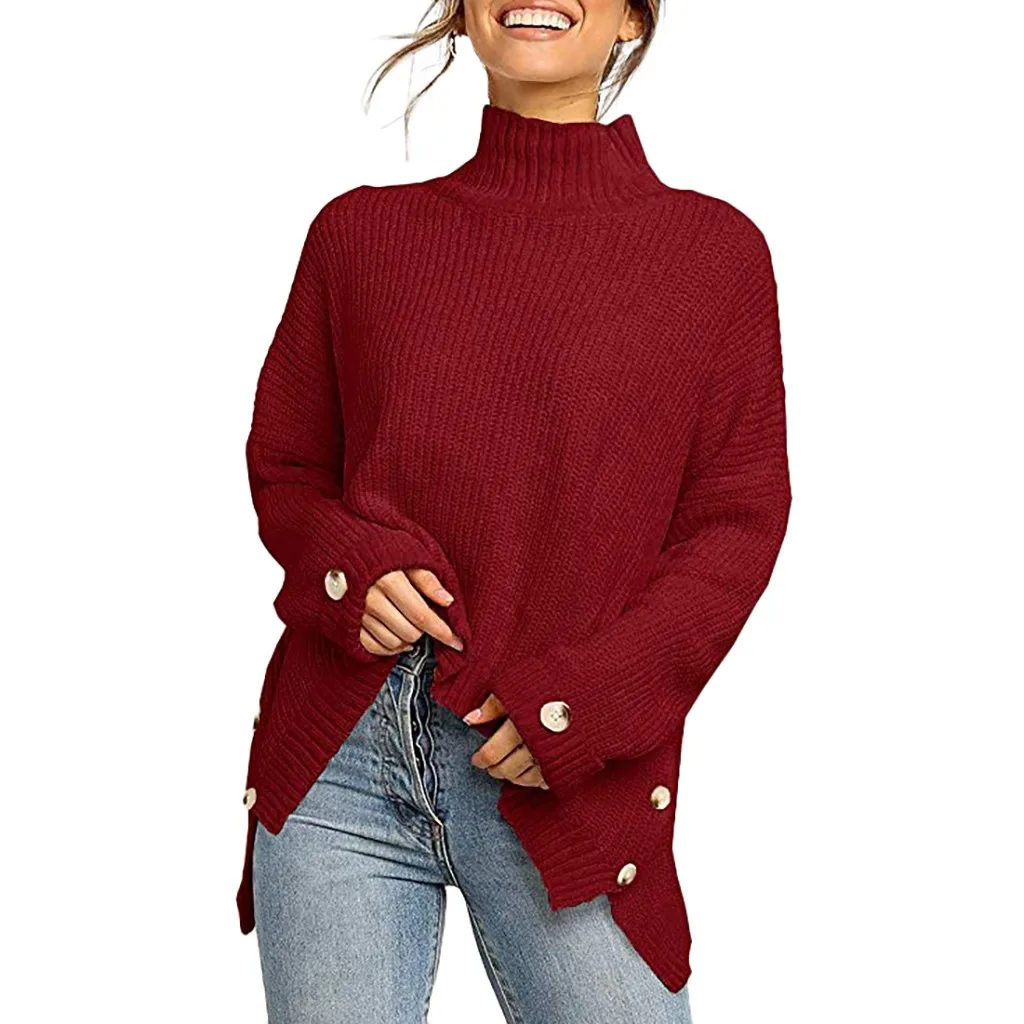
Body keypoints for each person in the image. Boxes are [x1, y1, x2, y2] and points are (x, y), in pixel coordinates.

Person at [237, 2, 792, 1021]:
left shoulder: (711, 255)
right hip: (340, 758)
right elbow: (287, 465)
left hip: (559, 773)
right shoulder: (359, 236)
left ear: (633, 19)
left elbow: (736, 526)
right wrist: (348, 568)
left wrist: (588, 704)